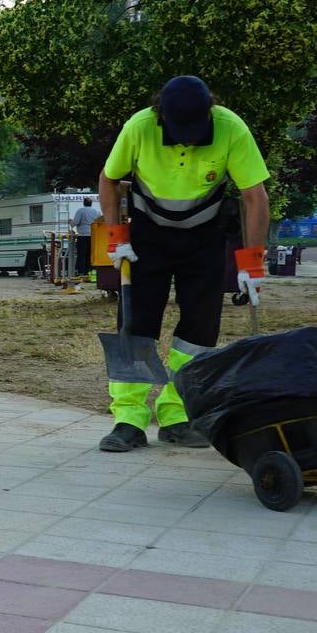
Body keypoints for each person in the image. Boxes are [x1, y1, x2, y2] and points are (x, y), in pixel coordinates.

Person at [96, 75, 270, 452]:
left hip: (204, 239)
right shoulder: (140, 127)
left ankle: (176, 415)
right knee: (135, 326)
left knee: (199, 332)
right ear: (161, 116)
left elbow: (254, 197)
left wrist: (253, 262)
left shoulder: (231, 128)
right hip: (147, 239)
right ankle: (129, 419)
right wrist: (116, 237)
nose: (188, 138)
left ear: (210, 111)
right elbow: (109, 180)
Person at [70, 196, 103, 277]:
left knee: (81, 254)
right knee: (91, 254)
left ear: (83, 203)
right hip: (93, 236)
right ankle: (90, 271)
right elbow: (100, 222)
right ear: (91, 203)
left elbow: (76, 222)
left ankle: (81, 272)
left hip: (83, 235)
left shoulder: (80, 211)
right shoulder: (97, 212)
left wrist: (71, 222)